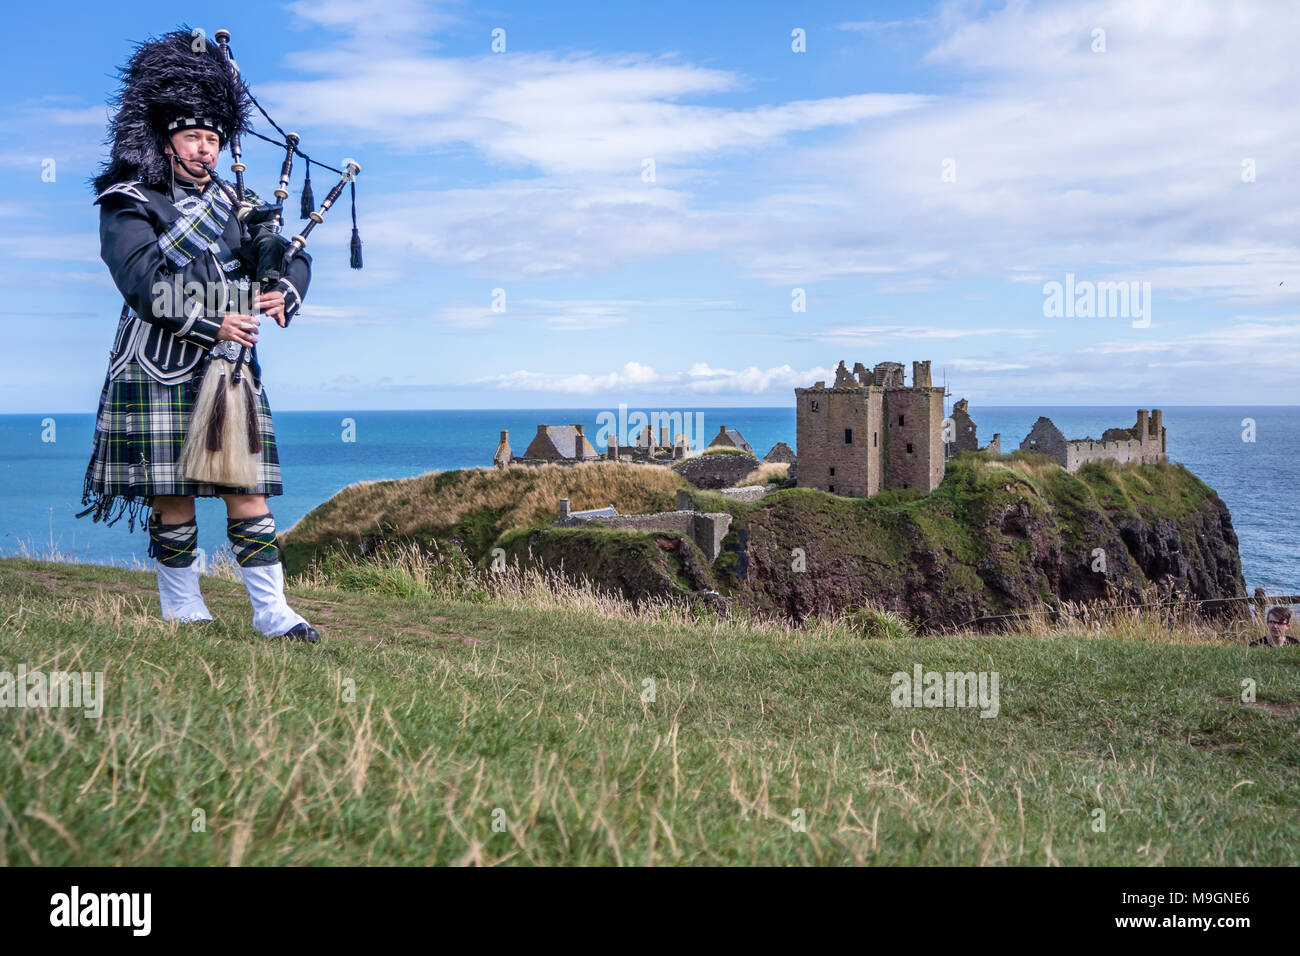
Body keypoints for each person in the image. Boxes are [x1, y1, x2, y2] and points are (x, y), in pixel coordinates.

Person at [78, 29, 319, 643]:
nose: (207, 150)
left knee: (248, 489)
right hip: (157, 363)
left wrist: (284, 287)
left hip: (230, 367)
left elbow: (285, 253)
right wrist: (214, 319)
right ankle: (184, 608)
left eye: (215, 139)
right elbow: (140, 281)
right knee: (171, 496)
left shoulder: (238, 204)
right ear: (166, 139)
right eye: (194, 137)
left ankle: (272, 613)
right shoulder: (129, 201)